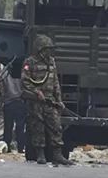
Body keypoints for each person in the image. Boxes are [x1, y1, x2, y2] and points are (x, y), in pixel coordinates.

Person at [21, 35, 73, 166]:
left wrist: (59, 99)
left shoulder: (51, 62)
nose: (49, 52)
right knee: (38, 127)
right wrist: (37, 92)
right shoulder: (30, 62)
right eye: (47, 49)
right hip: (37, 101)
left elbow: (55, 82)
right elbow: (25, 81)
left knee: (56, 126)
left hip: (50, 101)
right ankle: (40, 154)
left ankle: (57, 154)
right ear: (40, 49)